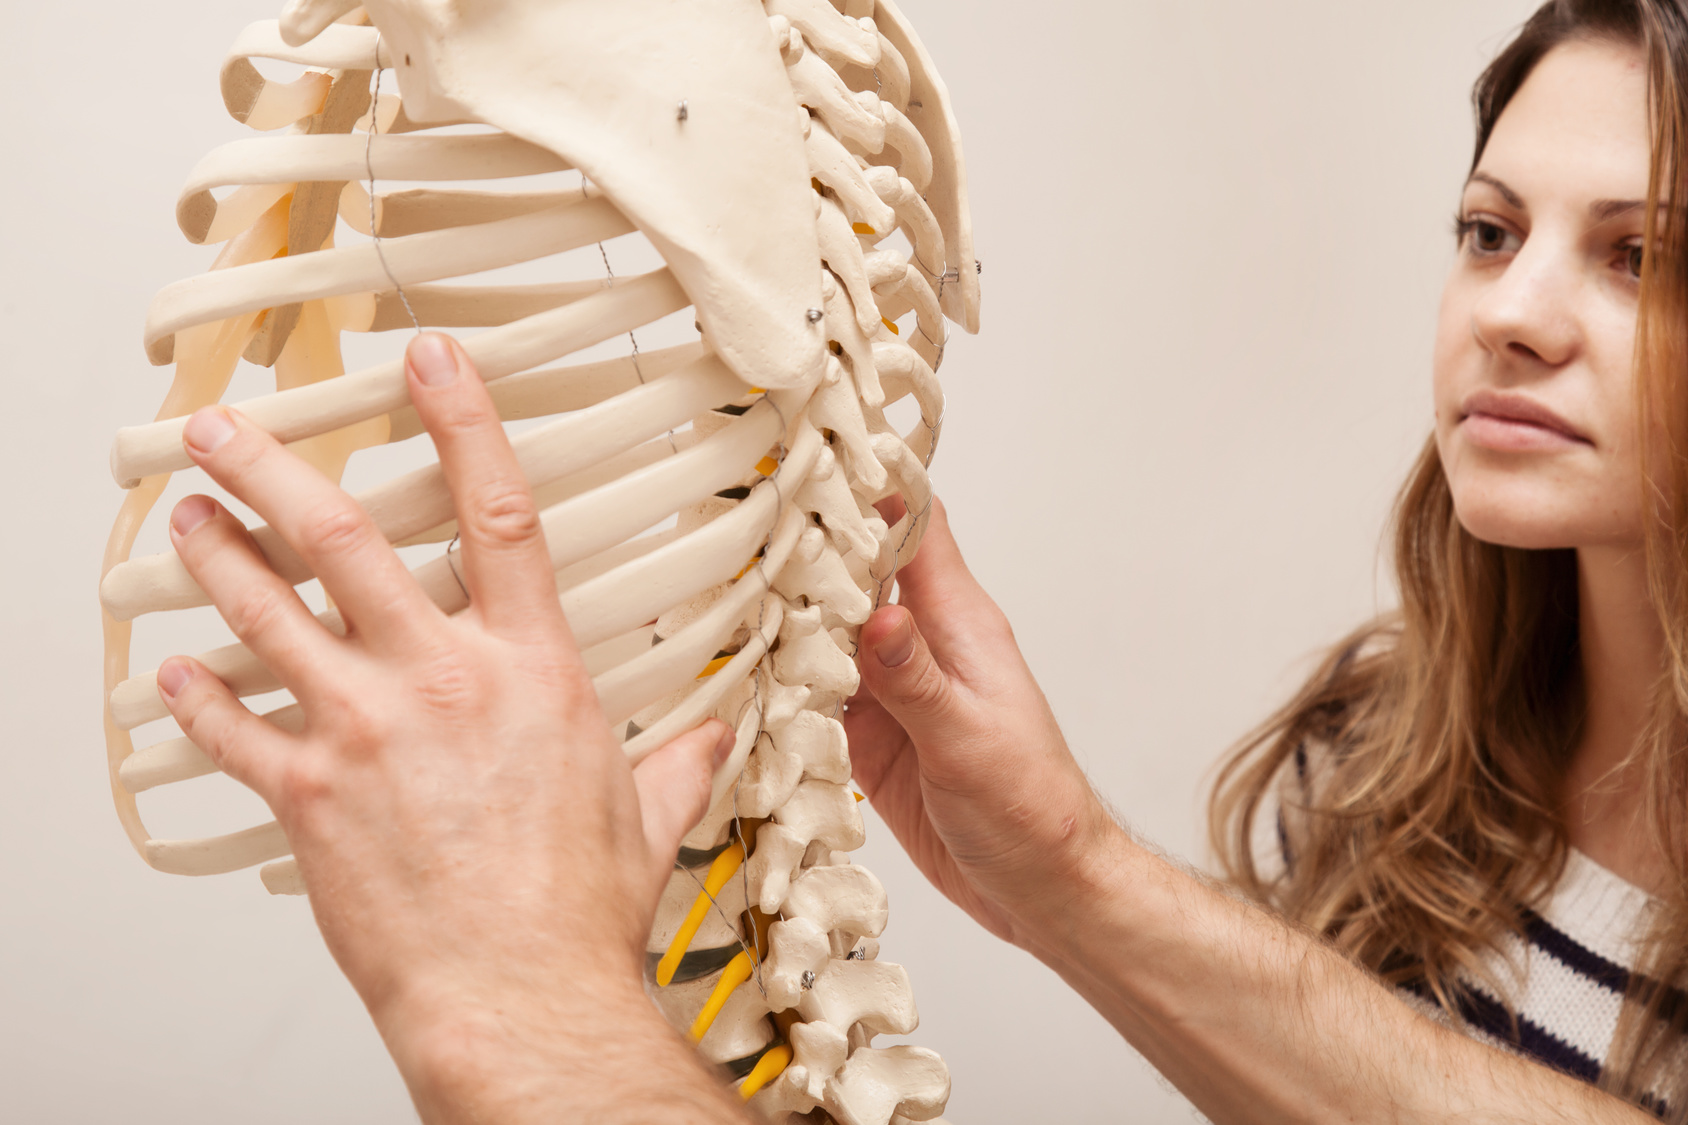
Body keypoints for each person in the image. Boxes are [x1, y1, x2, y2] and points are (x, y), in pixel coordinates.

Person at [147, 0, 1688, 1120]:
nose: (1515, 311)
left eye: (1644, 256)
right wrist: (1067, 868)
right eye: (1490, 231)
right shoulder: (1379, 765)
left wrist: (515, 1010)